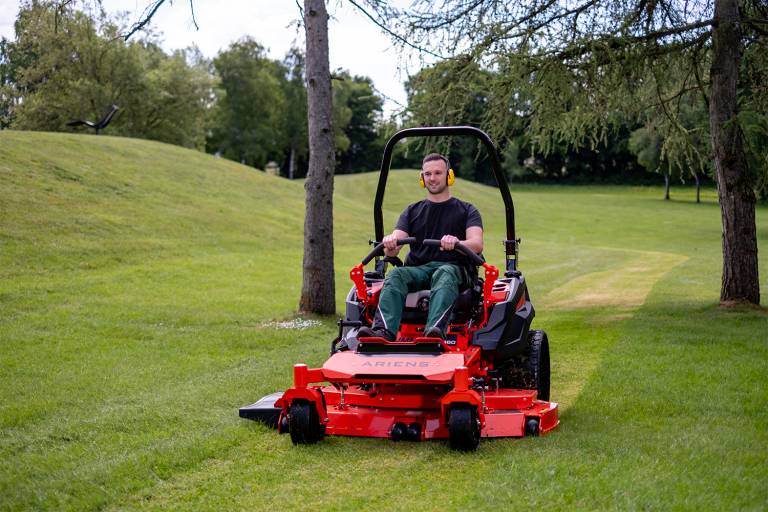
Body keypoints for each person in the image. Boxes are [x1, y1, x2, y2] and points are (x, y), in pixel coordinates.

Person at [358, 153, 483, 341]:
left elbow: (477, 244)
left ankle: (434, 332)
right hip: (418, 270)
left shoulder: (467, 210)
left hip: (454, 269)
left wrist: (457, 243)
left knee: (444, 272)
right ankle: (383, 332)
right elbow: (393, 247)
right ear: (422, 178)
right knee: (395, 274)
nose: (432, 178)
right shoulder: (412, 211)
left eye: (438, 173)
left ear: (449, 176)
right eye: (428, 174)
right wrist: (390, 242)